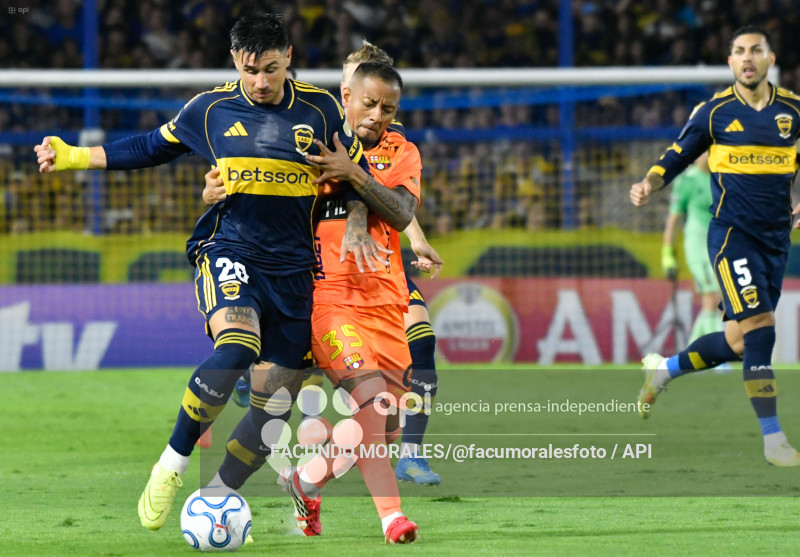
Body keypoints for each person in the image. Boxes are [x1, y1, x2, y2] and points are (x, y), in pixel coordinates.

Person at [35, 12, 373, 530]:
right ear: (235, 60)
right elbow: (150, 147)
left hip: (296, 271)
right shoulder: (210, 109)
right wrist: (74, 155)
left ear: (291, 60)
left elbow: (356, 177)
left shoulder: (322, 109)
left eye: (273, 69)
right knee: (237, 346)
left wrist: (354, 222)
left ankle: (214, 498)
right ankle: (171, 465)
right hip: (230, 249)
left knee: (275, 408)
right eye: (250, 68)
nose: (261, 82)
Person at [630, 25, 800, 466]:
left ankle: (663, 370)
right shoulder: (715, 112)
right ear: (730, 63)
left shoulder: (794, 112)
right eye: (739, 51)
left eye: (756, 50)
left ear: (770, 59)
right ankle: (773, 440)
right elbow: (677, 154)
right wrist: (650, 183)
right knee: (762, 328)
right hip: (731, 236)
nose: (747, 58)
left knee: (740, 341)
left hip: (776, 240)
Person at [340, 42, 443, 487]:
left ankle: (412, 455)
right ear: (345, 91)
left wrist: (418, 241)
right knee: (300, 369)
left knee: (421, 344)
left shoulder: (398, 146)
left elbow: (399, 202)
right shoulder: (320, 129)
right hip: (325, 269)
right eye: (351, 82)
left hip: (385, 267)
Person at [661, 151, 723, 343]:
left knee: (715, 301)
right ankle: (714, 353)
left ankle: (695, 351)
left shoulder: (721, 178)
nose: (705, 155)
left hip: (718, 243)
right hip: (696, 243)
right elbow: (673, 219)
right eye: (702, 151)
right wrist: (667, 254)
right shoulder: (687, 180)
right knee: (712, 298)